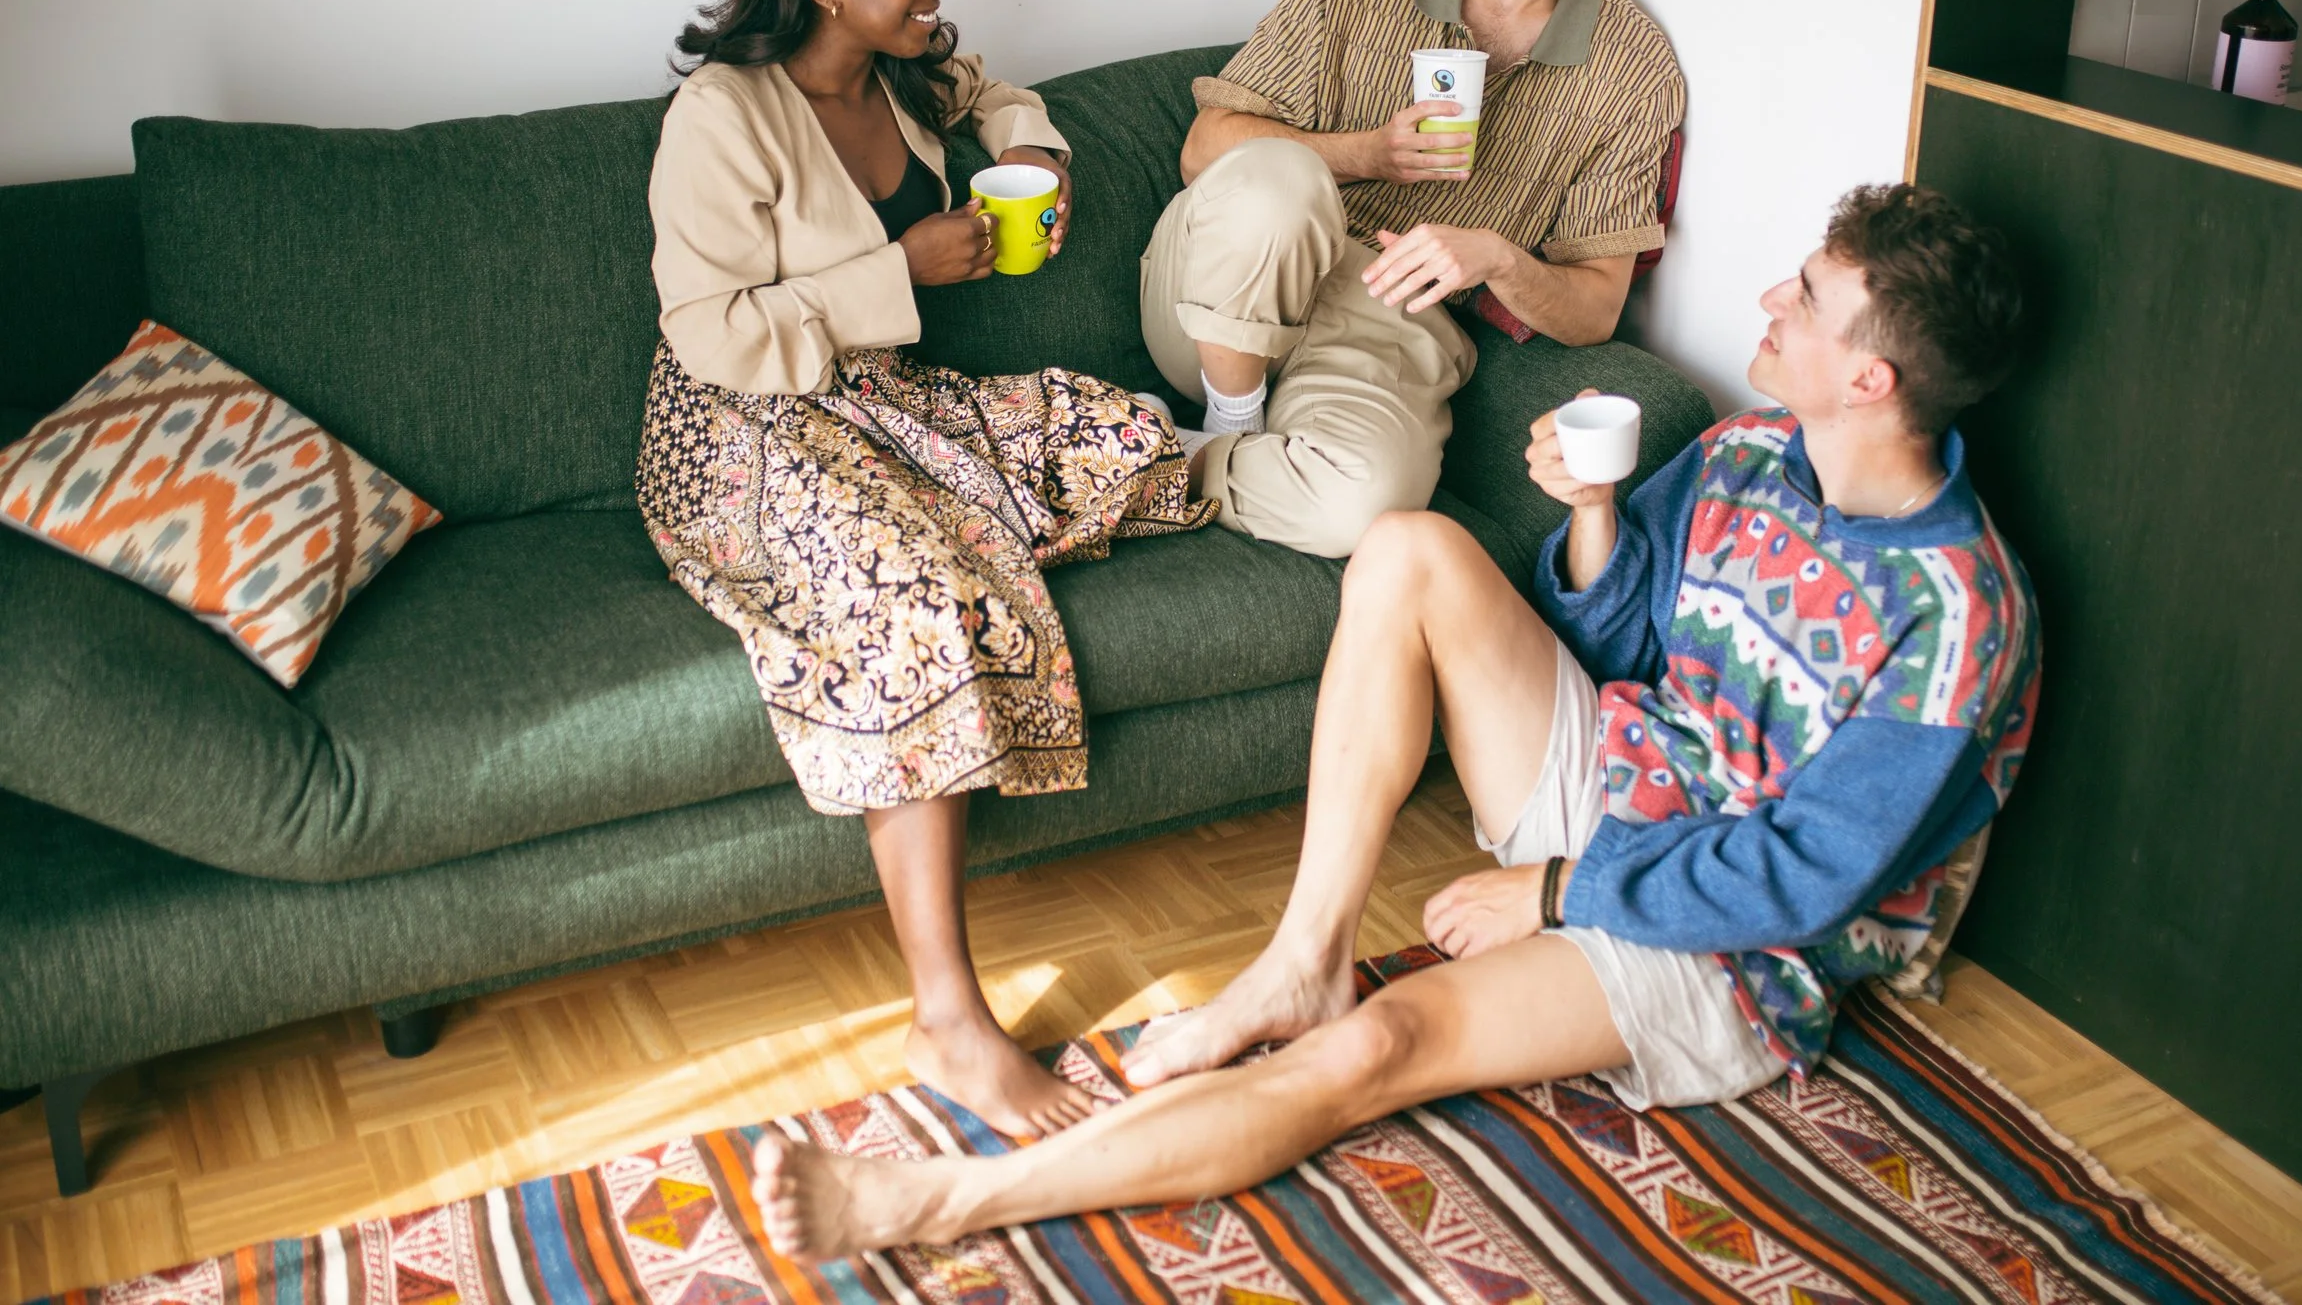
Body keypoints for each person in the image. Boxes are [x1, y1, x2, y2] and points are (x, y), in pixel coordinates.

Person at [747, 181, 2042, 1258]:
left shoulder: (1959, 614)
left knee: (1386, 1036)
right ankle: (1301, 952)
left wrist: (1554, 891)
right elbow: (1607, 644)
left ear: (1871, 376)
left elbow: (1800, 879)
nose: (1772, 298)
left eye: (1806, 297)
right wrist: (1593, 517)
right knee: (1408, 545)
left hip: (1730, 941)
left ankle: (931, 1200)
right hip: (1632, 770)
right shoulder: (1751, 451)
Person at [636, 0, 1213, 1138]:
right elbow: (711, 331)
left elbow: (1006, 101)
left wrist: (1045, 162)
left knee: (1123, 434)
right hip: (746, 427)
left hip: (877, 399)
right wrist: (900, 271)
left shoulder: (911, 70)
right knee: (912, 603)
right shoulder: (722, 117)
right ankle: (948, 1014)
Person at [1144, 0, 1688, 557]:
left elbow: (1596, 309)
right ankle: (1233, 415)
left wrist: (1498, 259)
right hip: (1222, 294)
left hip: (1388, 331)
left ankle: (1175, 459)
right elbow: (1204, 152)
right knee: (1281, 183)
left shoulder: (1631, 67)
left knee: (1361, 512)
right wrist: (1369, 153)